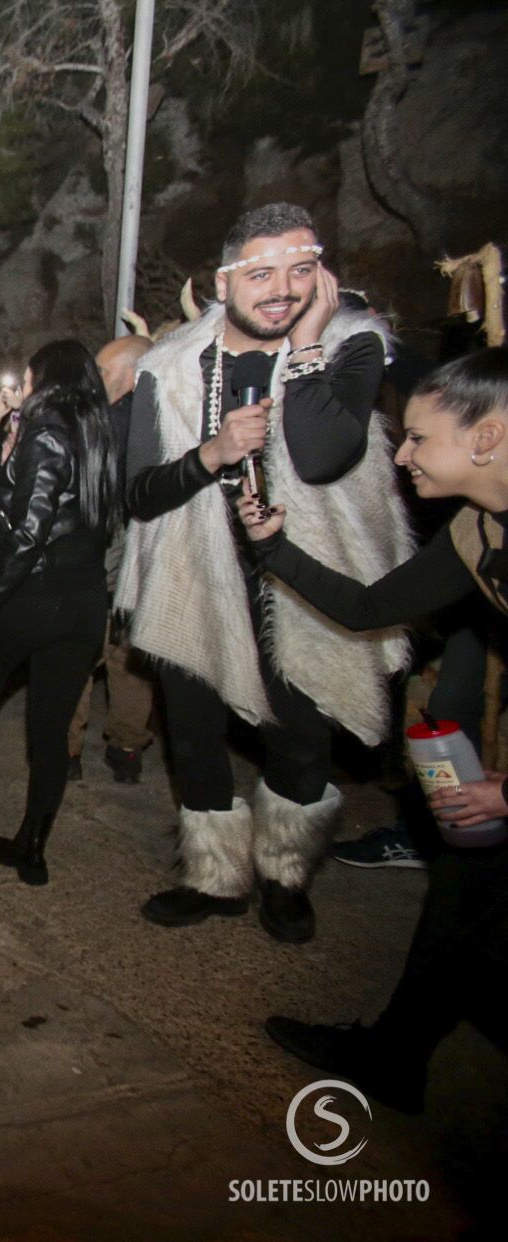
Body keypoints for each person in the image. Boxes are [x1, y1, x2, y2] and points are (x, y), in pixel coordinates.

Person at [233, 350, 506, 1184]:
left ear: (489, 436)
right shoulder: (479, 526)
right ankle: (395, 1057)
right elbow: (369, 606)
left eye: (420, 438)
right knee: (461, 896)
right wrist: (274, 547)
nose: (402, 454)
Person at [116, 202, 409, 943]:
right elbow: (140, 490)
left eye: (301, 269)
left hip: (305, 581)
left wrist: (308, 342)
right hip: (195, 570)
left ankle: (285, 873)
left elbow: (320, 455)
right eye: (262, 272)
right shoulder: (169, 365)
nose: (282, 287)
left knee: (302, 737)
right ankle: (215, 878)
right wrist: (209, 455)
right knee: (192, 734)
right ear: (224, 280)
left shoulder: (354, 347)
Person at [0, 341, 122, 883]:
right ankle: (32, 845)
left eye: (31, 380)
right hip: (83, 602)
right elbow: (7, 488)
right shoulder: (99, 431)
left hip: (32, 597)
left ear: (48, 380)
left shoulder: (46, 429)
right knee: (51, 728)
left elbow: (28, 528)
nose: (27, 389)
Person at [65, 334, 158, 783]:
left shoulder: (110, 424)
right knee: (130, 659)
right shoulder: (165, 417)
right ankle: (126, 748)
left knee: (78, 653)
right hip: (141, 567)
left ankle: (66, 752)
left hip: (107, 560)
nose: (96, 378)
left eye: (103, 370)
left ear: (131, 374)